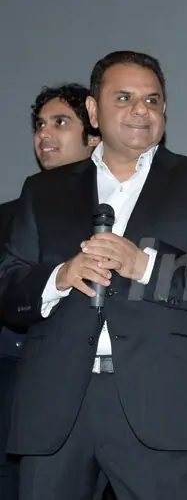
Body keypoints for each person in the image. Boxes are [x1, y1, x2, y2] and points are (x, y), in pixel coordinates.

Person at [0, 50, 187, 500]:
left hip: (159, 405)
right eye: (124, 98)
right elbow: (8, 288)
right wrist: (60, 276)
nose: (141, 109)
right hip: (54, 405)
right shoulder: (43, 191)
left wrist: (146, 266)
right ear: (94, 111)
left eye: (153, 100)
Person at [0, 83, 102, 499]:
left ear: (94, 135)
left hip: (93, 385)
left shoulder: (123, 211)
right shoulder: (8, 216)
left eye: (60, 123)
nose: (45, 134)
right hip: (12, 383)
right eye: (40, 124)